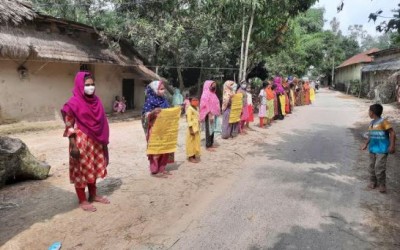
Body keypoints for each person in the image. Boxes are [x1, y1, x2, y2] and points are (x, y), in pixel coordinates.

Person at [61, 71, 110, 212]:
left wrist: (104, 143)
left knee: (93, 168)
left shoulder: (97, 101)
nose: (91, 87)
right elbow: (69, 126)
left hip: (96, 141)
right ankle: (82, 200)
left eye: (93, 84)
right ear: (80, 85)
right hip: (80, 142)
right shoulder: (73, 103)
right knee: (81, 171)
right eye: (87, 85)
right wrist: (73, 146)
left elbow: (102, 122)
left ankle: (93, 195)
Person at [361, 104, 396, 193]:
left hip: (382, 150)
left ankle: (382, 184)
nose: (368, 113)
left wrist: (392, 145)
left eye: (369, 111)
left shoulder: (384, 122)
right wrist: (366, 144)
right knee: (371, 167)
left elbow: (392, 133)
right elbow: (370, 135)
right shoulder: (371, 123)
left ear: (372, 112)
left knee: (379, 167)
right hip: (372, 149)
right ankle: (373, 182)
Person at [142, 80, 173, 178]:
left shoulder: (164, 100)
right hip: (155, 129)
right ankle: (154, 170)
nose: (163, 91)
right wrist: (153, 112)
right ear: (155, 90)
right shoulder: (149, 101)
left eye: (164, 89)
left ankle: (162, 168)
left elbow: (168, 111)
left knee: (164, 148)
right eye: (161, 89)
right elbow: (144, 116)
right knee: (156, 149)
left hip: (164, 129)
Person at [200, 80, 221, 151]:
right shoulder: (205, 94)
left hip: (213, 114)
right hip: (208, 114)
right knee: (208, 129)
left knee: (212, 129)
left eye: (215, 85)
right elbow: (204, 105)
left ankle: (211, 143)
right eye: (212, 85)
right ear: (208, 85)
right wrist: (209, 114)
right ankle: (208, 145)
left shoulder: (213, 94)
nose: (214, 86)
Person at [186, 97, 201, 163]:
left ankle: (194, 155)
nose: (195, 101)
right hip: (192, 128)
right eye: (193, 100)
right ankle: (190, 157)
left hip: (196, 128)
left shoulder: (197, 108)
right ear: (190, 101)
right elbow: (188, 120)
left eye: (196, 100)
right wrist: (191, 129)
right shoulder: (189, 109)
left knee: (196, 142)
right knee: (191, 142)